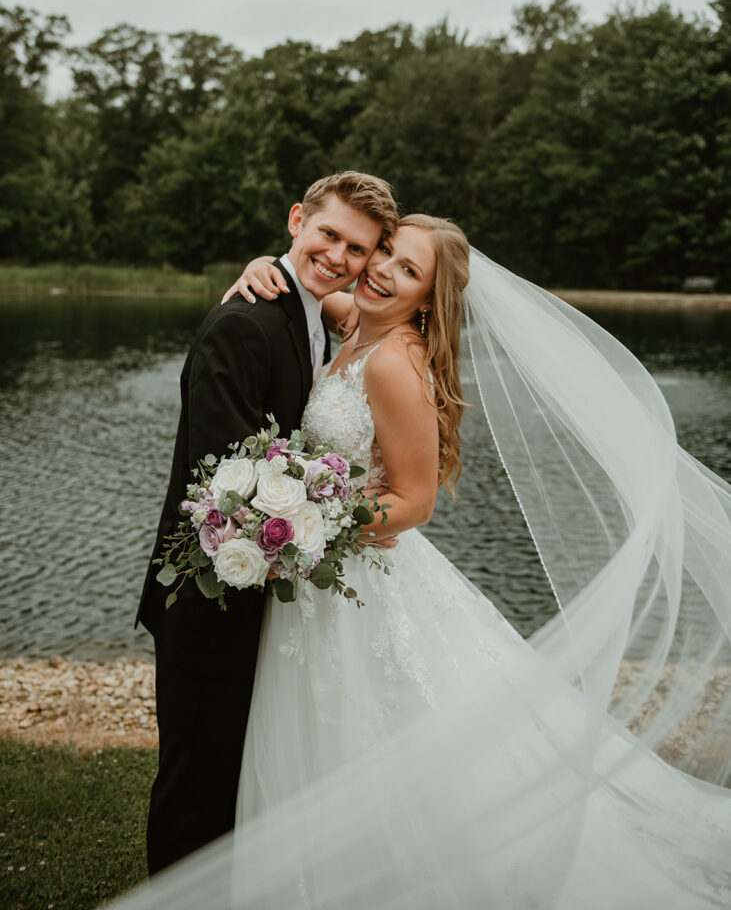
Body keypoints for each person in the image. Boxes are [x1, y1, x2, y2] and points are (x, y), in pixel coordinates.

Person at [118, 215, 731, 908]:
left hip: (347, 566)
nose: (380, 269)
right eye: (383, 252)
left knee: (375, 731)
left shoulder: (392, 361)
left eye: (407, 270)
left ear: (428, 299)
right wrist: (261, 265)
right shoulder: (355, 319)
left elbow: (413, 501)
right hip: (317, 572)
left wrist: (311, 526)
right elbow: (309, 290)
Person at [135, 171, 398, 875]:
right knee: (196, 792)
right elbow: (224, 483)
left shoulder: (313, 314)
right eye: (328, 234)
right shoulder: (242, 323)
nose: (338, 255)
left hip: (273, 603)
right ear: (295, 221)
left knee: (240, 785)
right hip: (210, 603)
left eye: (356, 247)